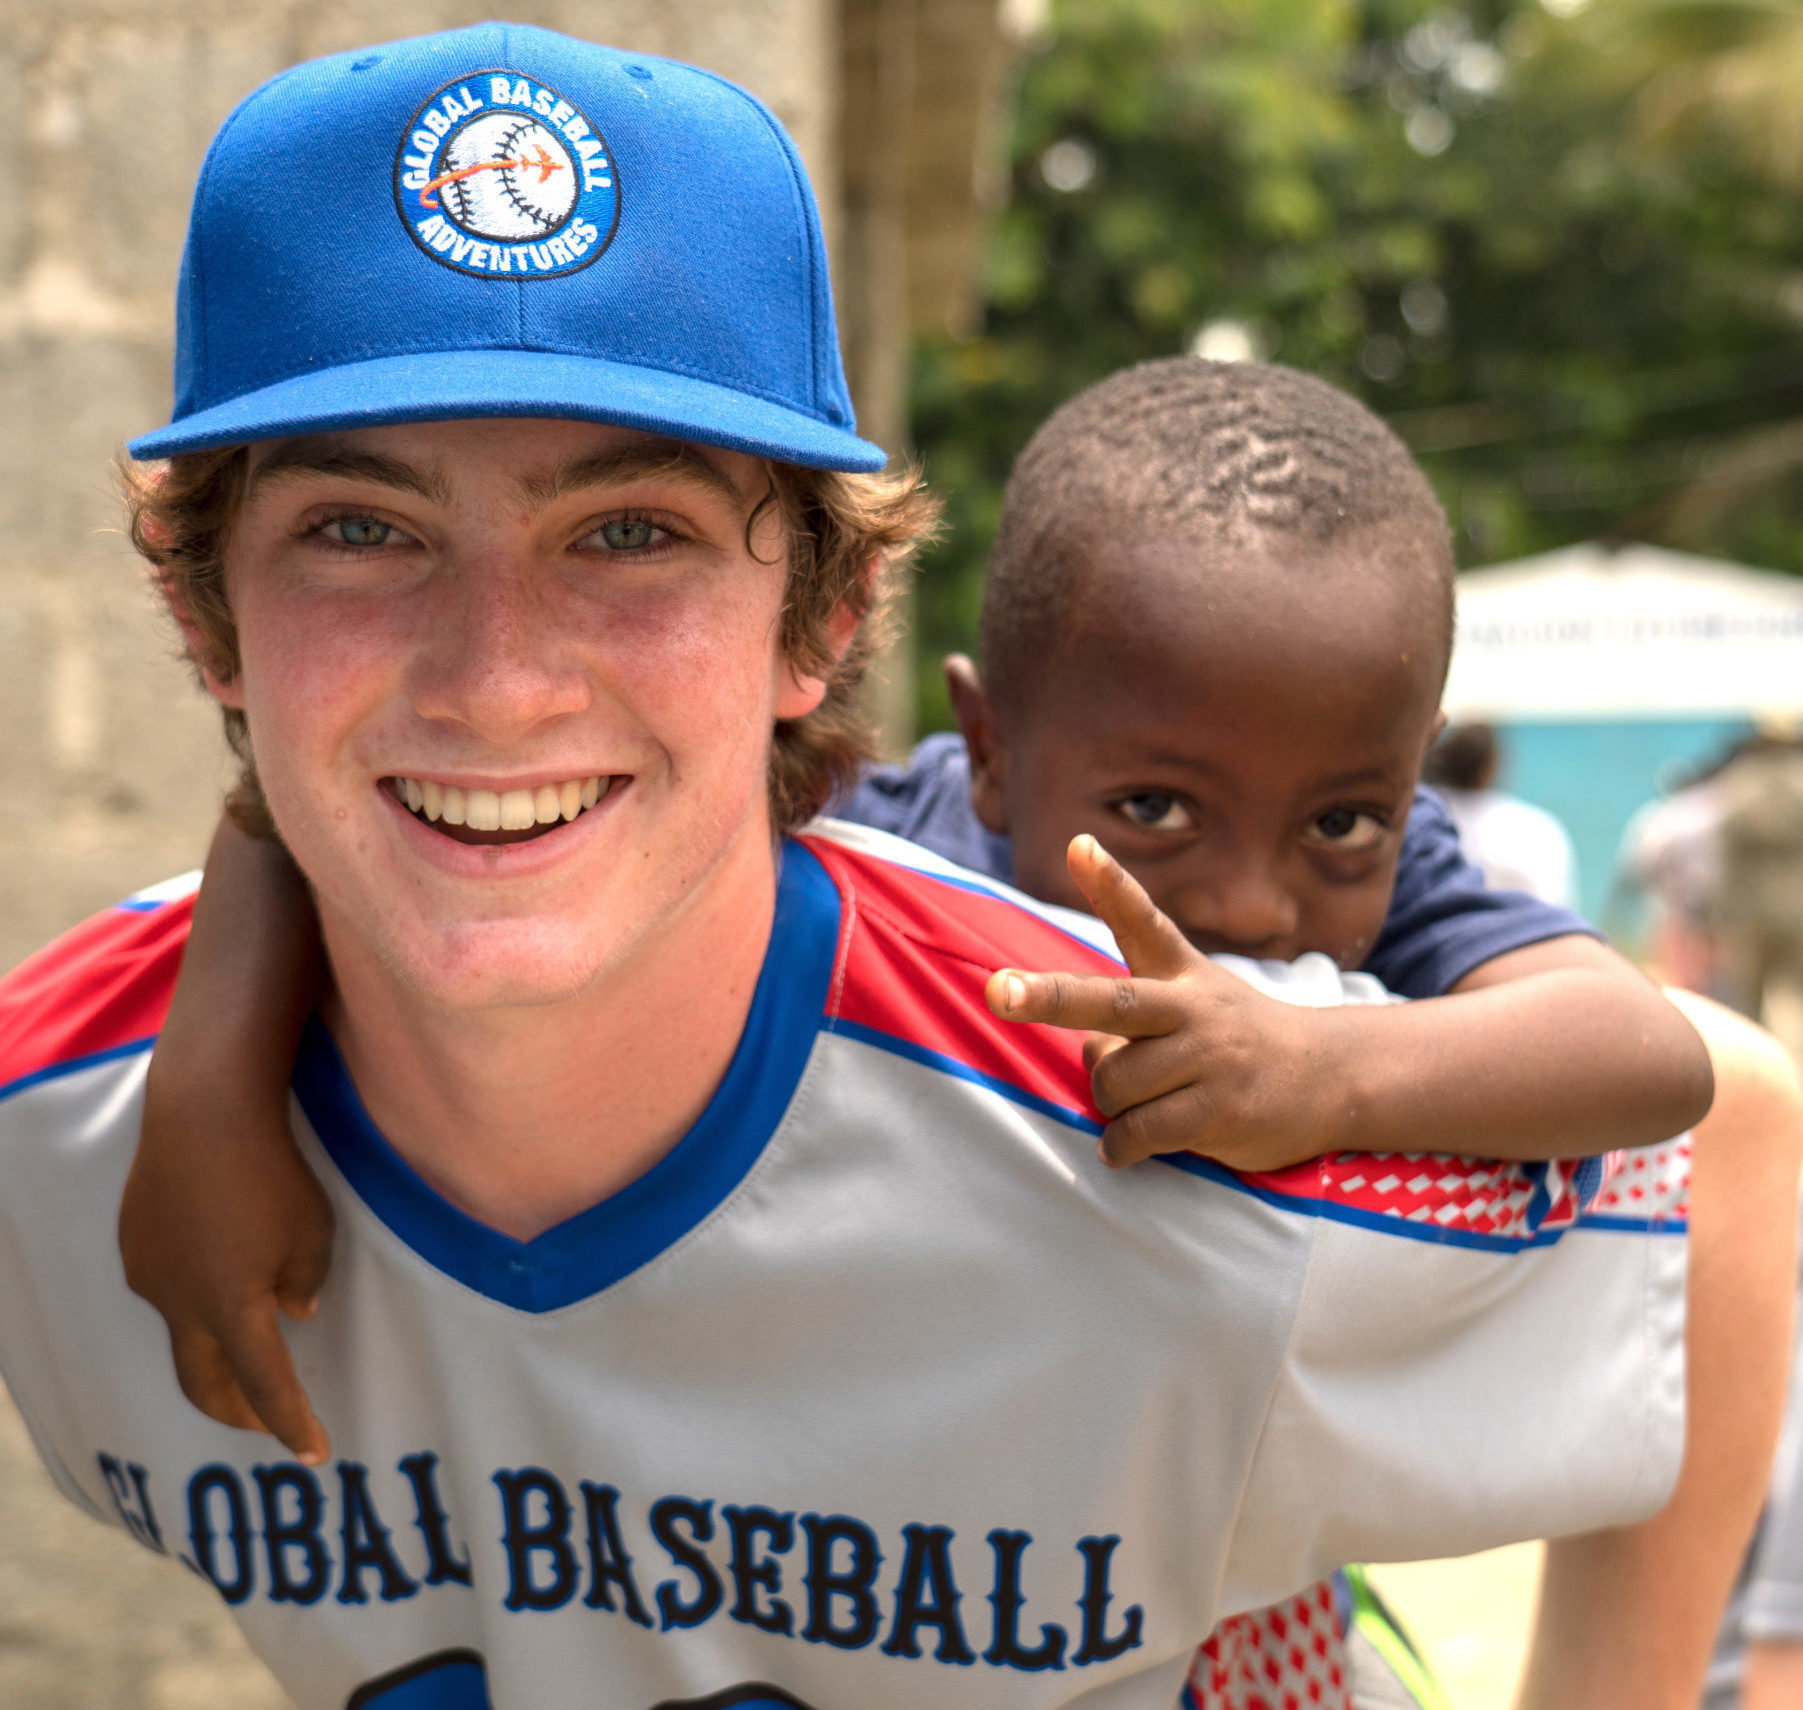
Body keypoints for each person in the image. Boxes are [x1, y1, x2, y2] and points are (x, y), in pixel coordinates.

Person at [0, 30, 1712, 1710]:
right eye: (361, 531)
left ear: (823, 618)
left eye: (629, 533)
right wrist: (203, 1076)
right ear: (201, 607)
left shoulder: (1143, 1130)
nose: (493, 680)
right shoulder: (55, 1140)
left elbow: (1737, 1138)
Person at [1419, 722, 1579, 909]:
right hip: (1527, 930)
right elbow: (1558, 904)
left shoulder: (1422, 816)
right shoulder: (1535, 827)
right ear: (1489, 768)